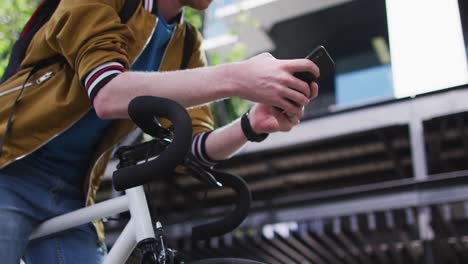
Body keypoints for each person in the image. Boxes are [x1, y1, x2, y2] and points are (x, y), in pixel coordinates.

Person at [0, 0, 319, 263]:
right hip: (9, 169)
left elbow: (190, 148)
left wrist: (250, 125)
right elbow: (108, 93)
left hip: (74, 194)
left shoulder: (186, 43)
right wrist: (238, 78)